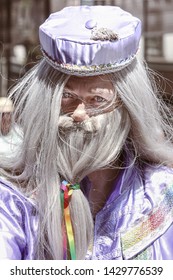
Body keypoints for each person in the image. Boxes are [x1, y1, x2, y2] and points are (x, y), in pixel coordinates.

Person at [0, 5, 173, 260]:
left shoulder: (159, 192)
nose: (79, 114)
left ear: (127, 106)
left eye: (97, 100)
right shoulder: (13, 197)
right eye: (67, 97)